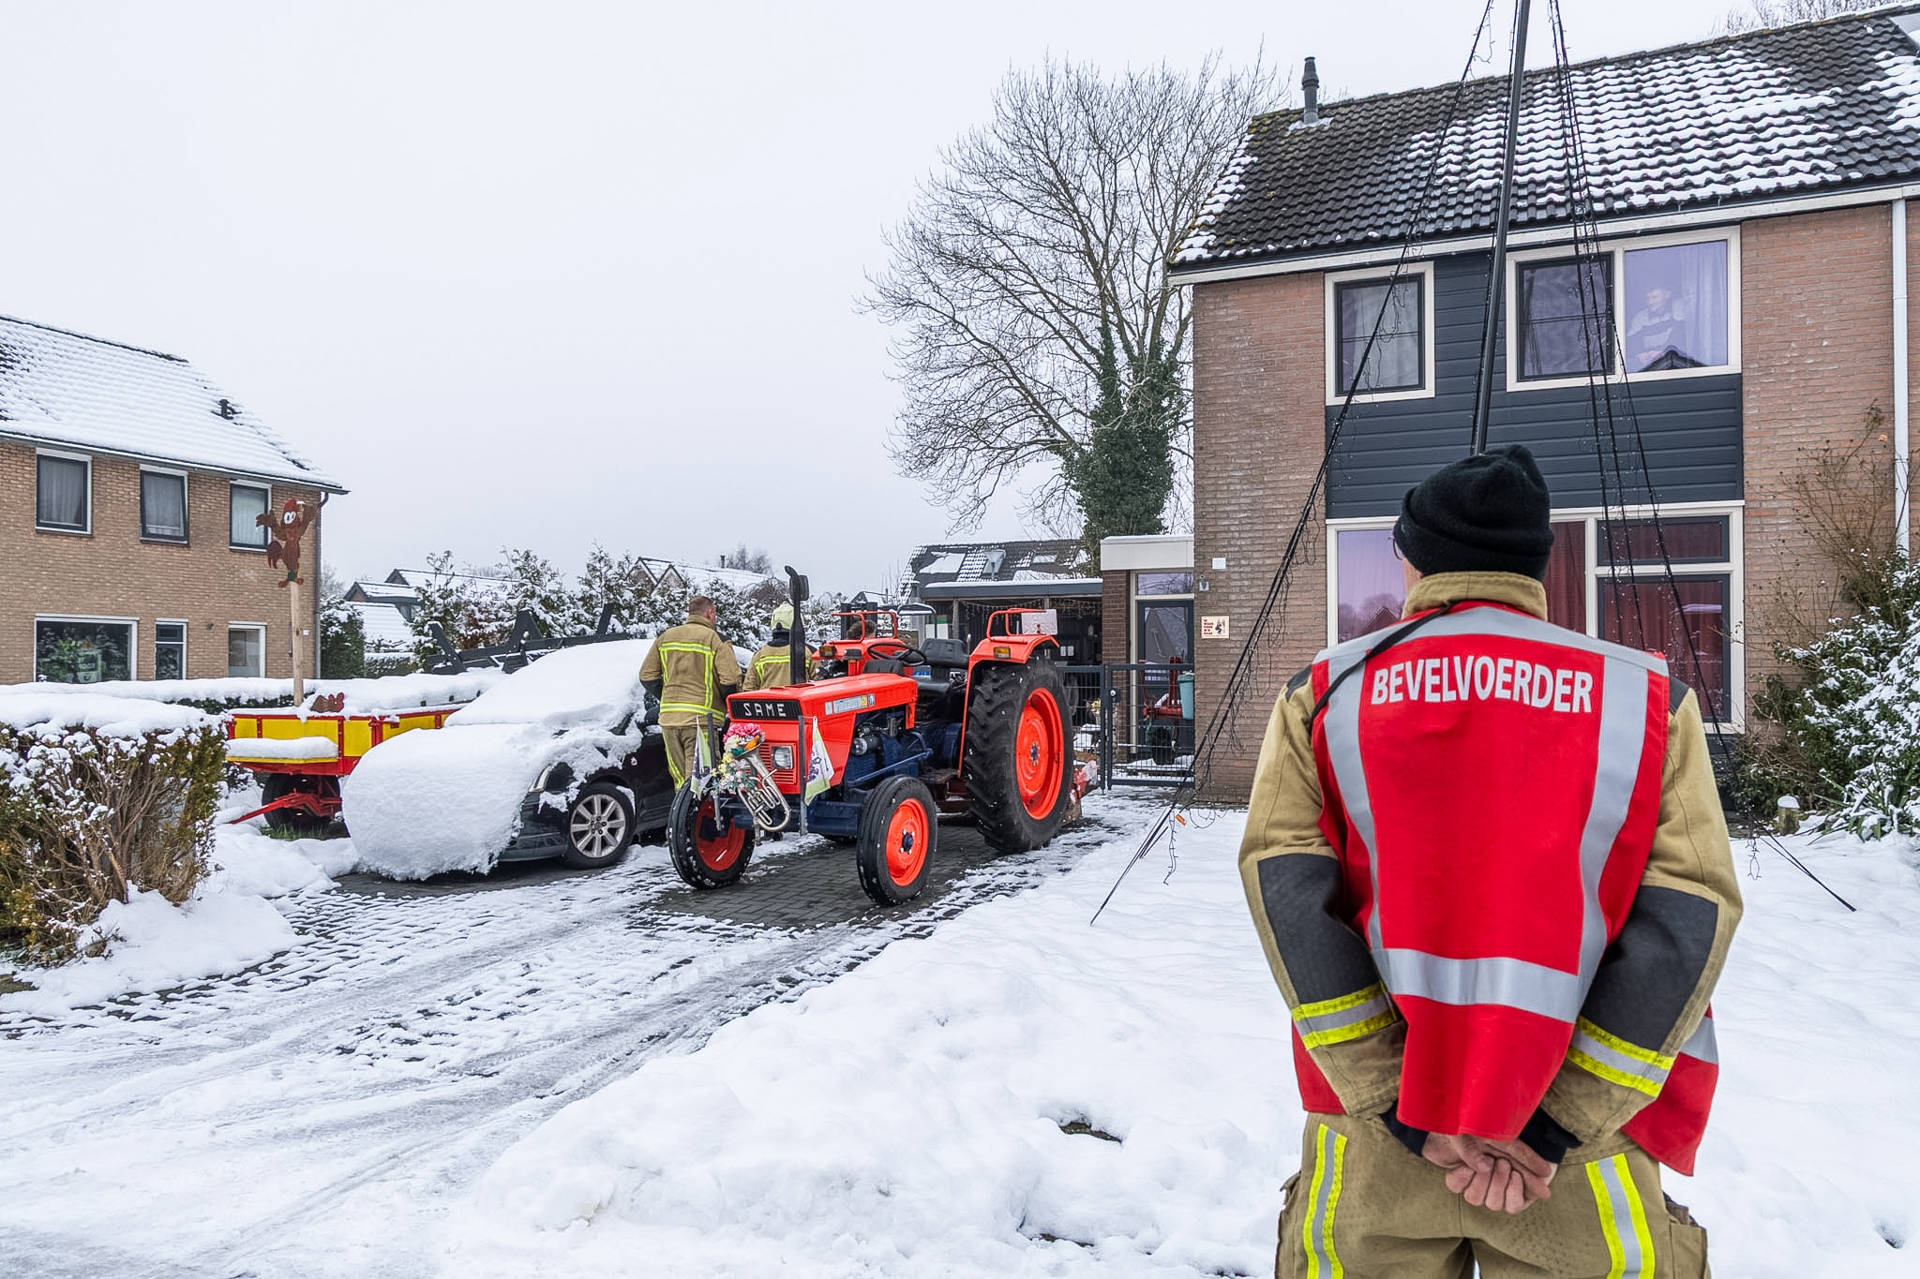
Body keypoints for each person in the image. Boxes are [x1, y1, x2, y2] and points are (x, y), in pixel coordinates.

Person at [1239, 444, 1739, 1277]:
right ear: (1537, 566)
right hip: (1577, 1161)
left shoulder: (1322, 695)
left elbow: (1288, 892)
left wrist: (1396, 1105)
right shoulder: (1649, 702)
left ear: (1411, 557)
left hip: (1374, 1146)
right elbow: (1691, 914)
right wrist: (1553, 1129)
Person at [639, 595, 742, 788]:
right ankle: (698, 818)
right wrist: (724, 705)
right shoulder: (716, 640)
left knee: (681, 783)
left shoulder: (665, 637)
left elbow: (647, 676)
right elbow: (731, 681)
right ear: (710, 613)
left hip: (669, 721)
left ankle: (681, 817)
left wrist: (668, 698)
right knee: (700, 782)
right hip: (701, 721)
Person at [741, 602, 811, 691]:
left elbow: (748, 688)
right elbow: (821, 684)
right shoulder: (806, 652)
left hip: (767, 704)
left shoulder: (760, 655)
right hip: (798, 703)